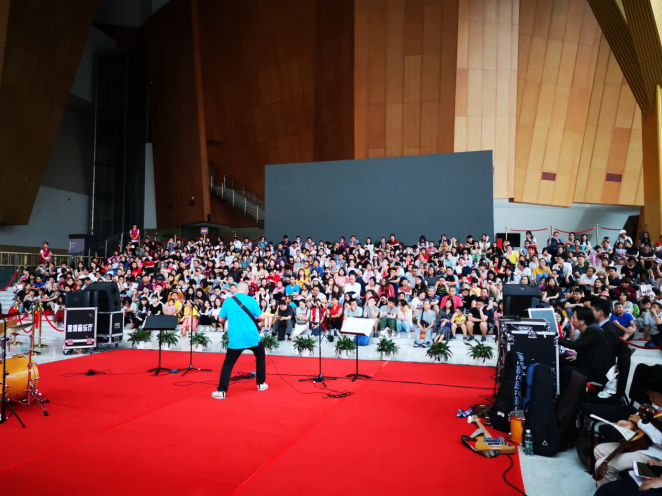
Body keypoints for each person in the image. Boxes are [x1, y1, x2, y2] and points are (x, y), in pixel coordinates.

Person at [593, 364, 662, 490]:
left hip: (656, 454)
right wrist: (631, 424)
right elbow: (645, 416)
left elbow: (660, 440)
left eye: (652, 395)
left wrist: (640, 423)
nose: (651, 399)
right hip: (643, 444)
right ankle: (616, 487)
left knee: (602, 465)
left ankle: (609, 490)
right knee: (599, 450)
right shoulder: (659, 406)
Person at [212, 282, 267, 400]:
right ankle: (261, 384)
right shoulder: (251, 300)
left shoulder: (227, 301)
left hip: (236, 337)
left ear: (236, 290)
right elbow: (261, 317)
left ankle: (222, 391)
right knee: (260, 357)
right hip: (252, 336)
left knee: (228, 363)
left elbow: (221, 320)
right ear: (247, 291)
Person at [558, 307, 615, 387]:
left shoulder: (593, 331)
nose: (571, 319)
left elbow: (575, 345)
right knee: (562, 360)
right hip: (590, 364)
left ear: (582, 321)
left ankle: (561, 392)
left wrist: (556, 338)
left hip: (597, 373)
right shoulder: (588, 331)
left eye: (574, 317)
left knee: (565, 369)